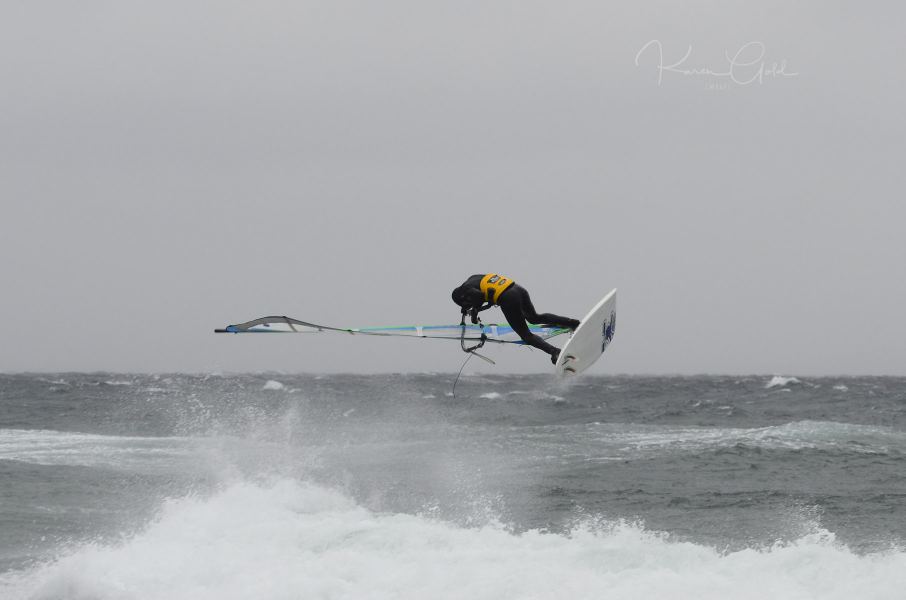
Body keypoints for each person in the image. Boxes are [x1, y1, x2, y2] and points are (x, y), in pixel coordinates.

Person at [451, 273, 580, 364]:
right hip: (518, 289)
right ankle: (572, 323)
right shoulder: (472, 278)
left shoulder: (465, 290)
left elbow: (479, 296)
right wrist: (476, 306)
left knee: (526, 335)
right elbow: (485, 293)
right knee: (534, 318)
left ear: (461, 297)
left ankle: (555, 351)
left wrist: (474, 312)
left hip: (508, 298)